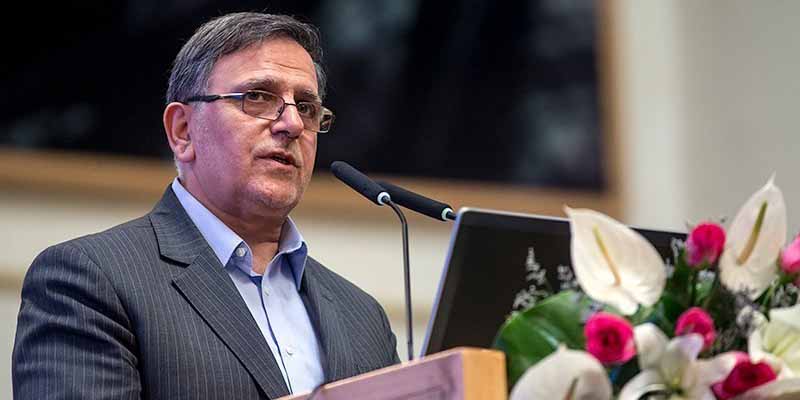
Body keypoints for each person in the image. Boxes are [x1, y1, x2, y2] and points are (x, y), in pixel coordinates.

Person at [12, 12, 400, 399]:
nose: (293, 124)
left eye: (306, 107)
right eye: (257, 97)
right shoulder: (90, 280)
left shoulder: (363, 316)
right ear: (183, 131)